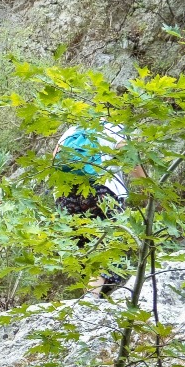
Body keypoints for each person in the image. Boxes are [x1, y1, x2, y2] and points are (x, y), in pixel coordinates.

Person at [53, 120, 131, 298]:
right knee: (112, 244)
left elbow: (54, 159)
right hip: (101, 190)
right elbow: (130, 159)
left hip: (65, 193)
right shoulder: (115, 126)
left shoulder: (72, 130)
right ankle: (91, 298)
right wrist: (149, 187)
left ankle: (88, 298)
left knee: (82, 247)